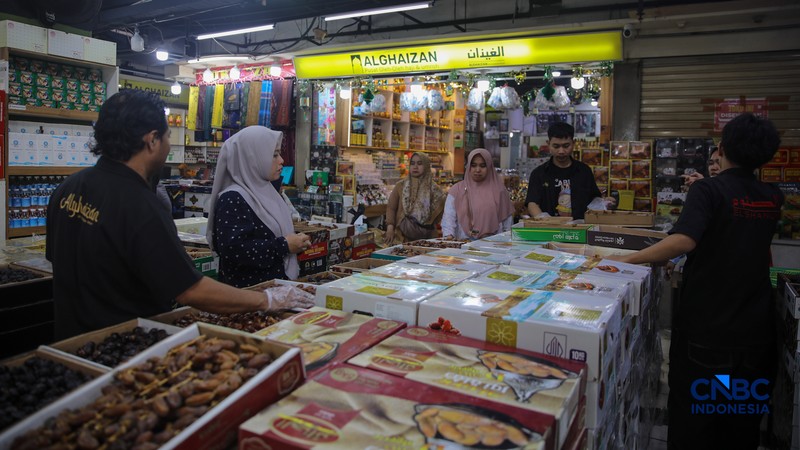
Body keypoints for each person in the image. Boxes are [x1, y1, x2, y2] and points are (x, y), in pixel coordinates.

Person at [45, 90, 313, 340]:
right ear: (152, 140)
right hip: (123, 345)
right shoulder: (141, 206)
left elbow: (57, 260)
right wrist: (267, 300)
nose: (167, 144)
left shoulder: (69, 188)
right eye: (166, 136)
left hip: (70, 341)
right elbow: (191, 290)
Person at [608, 113, 783, 450]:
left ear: (721, 148)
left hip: (708, 332)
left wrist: (622, 259)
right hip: (755, 334)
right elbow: (730, 240)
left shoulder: (707, 190)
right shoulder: (772, 197)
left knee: (695, 424)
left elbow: (684, 240)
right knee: (738, 421)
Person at [207, 126, 312, 287]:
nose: (282, 160)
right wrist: (284, 246)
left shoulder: (268, 192)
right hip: (249, 299)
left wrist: (296, 242)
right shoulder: (233, 198)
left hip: (276, 294)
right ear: (252, 158)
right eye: (274, 155)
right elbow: (234, 251)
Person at [526, 122, 603, 220]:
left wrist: (603, 203)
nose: (561, 151)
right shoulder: (539, 174)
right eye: (556, 146)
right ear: (548, 144)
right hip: (549, 229)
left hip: (579, 230)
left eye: (566, 146)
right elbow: (532, 203)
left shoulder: (584, 171)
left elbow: (594, 198)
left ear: (573, 143)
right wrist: (543, 219)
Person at [442, 148, 514, 240]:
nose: (478, 170)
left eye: (482, 166)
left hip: (494, 246)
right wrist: (449, 237)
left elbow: (507, 224)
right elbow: (449, 218)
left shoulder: (500, 191)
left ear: (489, 167)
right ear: (468, 167)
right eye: (473, 165)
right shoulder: (457, 190)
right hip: (463, 246)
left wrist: (506, 244)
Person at [385, 152, 446, 244]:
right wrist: (390, 227)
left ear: (426, 166)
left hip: (427, 238)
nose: (415, 167)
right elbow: (391, 207)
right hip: (402, 237)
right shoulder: (401, 186)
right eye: (412, 163)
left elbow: (439, 215)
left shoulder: (435, 190)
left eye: (419, 163)